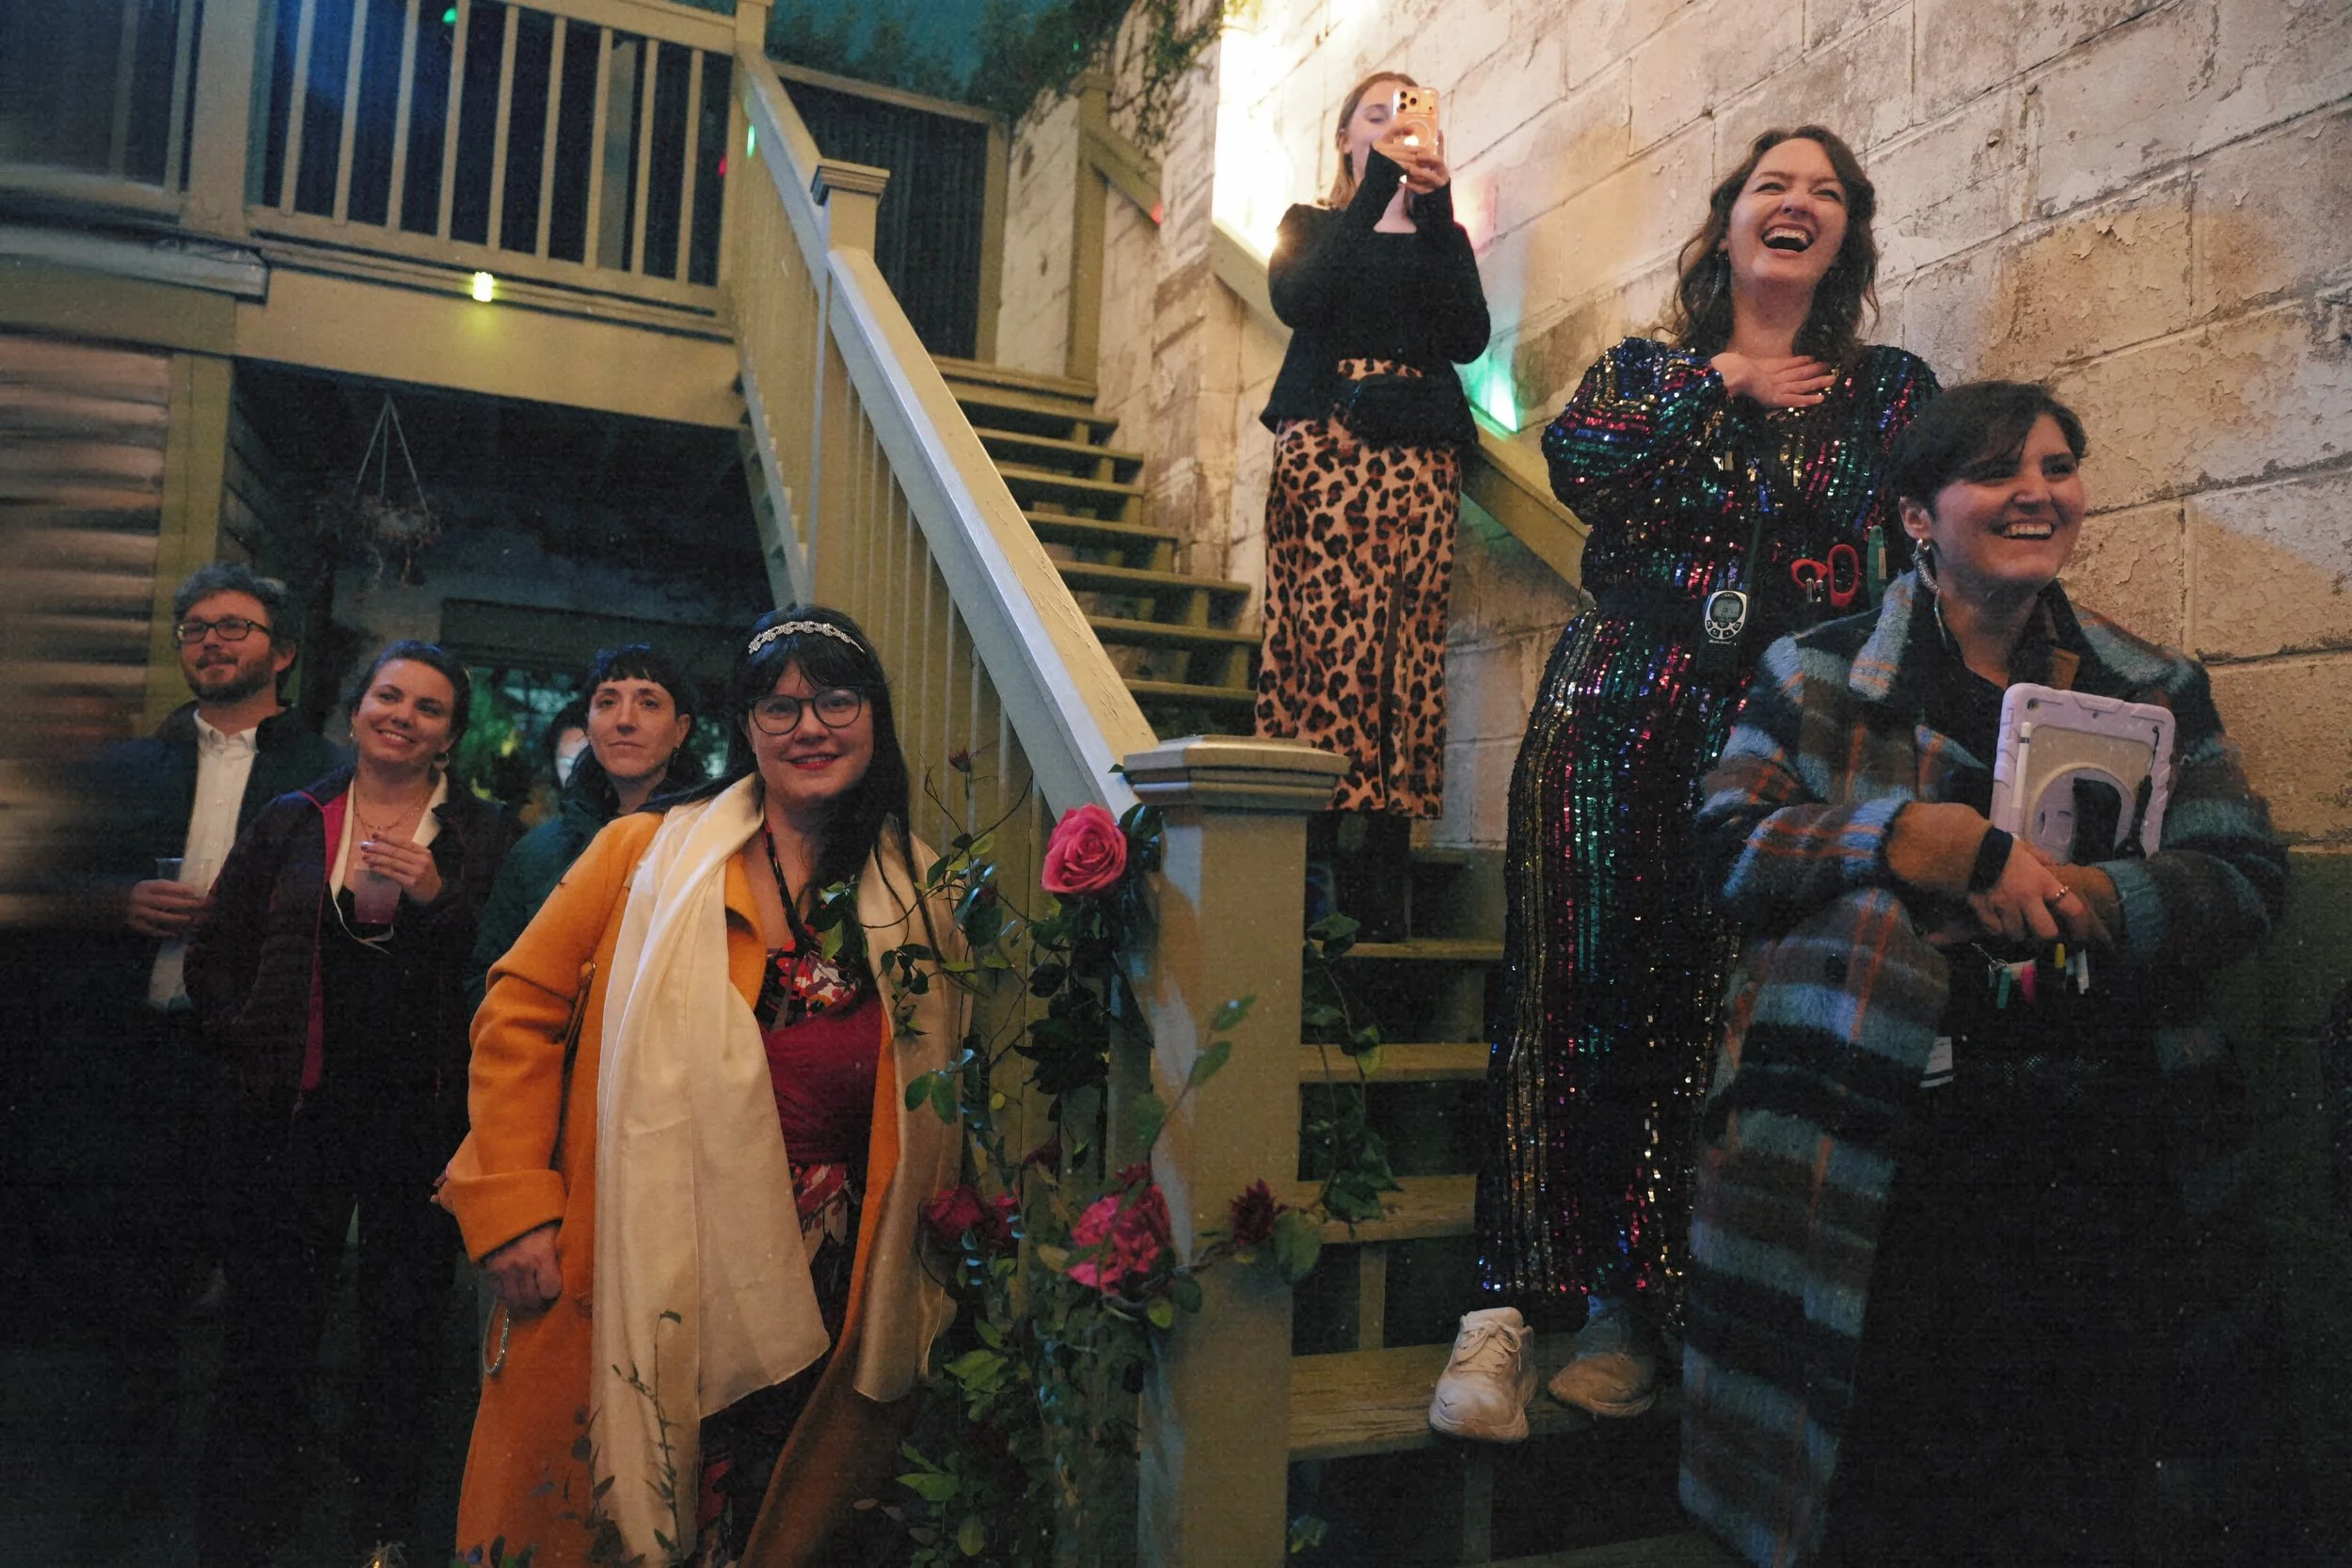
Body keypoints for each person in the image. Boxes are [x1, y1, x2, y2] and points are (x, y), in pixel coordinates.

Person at [1682, 382, 2294, 1565]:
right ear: (1918, 512)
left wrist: (2106, 898)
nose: (2038, 491)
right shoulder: (1813, 675)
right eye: (1999, 469)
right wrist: (1906, 837)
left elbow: (2247, 872)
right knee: (1897, 1476)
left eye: (2058, 465)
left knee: (2076, 1471)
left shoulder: (2149, 685)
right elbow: (1725, 844)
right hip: (1881, 1154)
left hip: (2105, 1153)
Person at [1435, 126, 1937, 1440]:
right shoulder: (1646, 371)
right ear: (1727, 224)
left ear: (1849, 236)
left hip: (1775, 731)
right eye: (1773, 182)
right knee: (1564, 987)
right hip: (1616, 699)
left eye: (1826, 190)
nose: (1797, 201)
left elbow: (1902, 551)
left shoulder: (1887, 392)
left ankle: (1630, 1306)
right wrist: (1723, 387)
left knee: (1701, 1011)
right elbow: (1583, 468)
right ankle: (1500, 1308)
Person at [444, 607, 961, 1568]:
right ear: (746, 728)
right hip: (644, 1247)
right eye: (779, 705)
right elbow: (515, 1007)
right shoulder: (643, 853)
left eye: (835, 698)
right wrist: (511, 1202)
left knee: (781, 1515)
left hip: (837, 1274)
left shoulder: (920, 890)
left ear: (874, 717)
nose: (809, 725)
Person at [185, 640, 516, 1565]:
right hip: (299, 1114)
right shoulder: (297, 818)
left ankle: (381, 1526)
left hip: (421, 1122)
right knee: (272, 1326)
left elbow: (502, 973)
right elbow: (216, 950)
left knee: (403, 1335)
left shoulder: (481, 836)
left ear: (450, 733)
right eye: (389, 694)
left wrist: (438, 894)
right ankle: (248, 1524)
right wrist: (249, 1036)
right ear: (357, 704)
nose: (403, 714)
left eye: (429, 706)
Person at [1255, 67, 1490, 938]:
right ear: (1345, 137)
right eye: (1375, 114)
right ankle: (1310, 878)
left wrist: (1435, 210)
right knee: (1321, 646)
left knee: (1404, 652)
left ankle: (1380, 883)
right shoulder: (1310, 225)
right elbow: (1304, 297)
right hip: (1326, 454)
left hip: (1417, 465)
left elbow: (1466, 335)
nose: (1395, 124)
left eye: (1410, 112)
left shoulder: (1443, 234)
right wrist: (1377, 192)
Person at [83, 563, 345, 1317]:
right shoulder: (128, 767)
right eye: (195, 629)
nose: (211, 642)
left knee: (258, 1278)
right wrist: (116, 899)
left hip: (253, 1054)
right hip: (137, 1048)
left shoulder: (331, 776)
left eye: (234, 626)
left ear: (283, 652)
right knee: (131, 1279)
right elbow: (56, 879)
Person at [470, 644, 701, 999]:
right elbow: (489, 977)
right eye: (607, 702)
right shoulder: (538, 852)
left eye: (649, 702)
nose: (625, 720)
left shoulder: (711, 843)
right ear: (589, 725)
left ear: (680, 730)